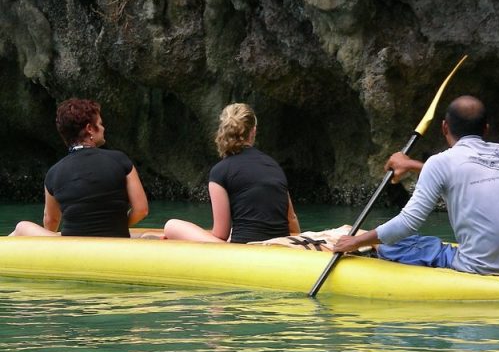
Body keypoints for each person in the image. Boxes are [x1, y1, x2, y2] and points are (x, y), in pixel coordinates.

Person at [334, 95, 499, 277]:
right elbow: (470, 172)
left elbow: (407, 223)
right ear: (486, 129)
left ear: (444, 127)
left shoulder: (440, 162)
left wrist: (355, 242)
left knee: (392, 244)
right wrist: (411, 165)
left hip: (477, 266)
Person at [10, 98, 148, 237]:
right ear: (89, 129)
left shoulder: (54, 173)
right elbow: (141, 210)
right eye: (100, 124)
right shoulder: (120, 159)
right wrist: (117, 225)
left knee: (22, 227)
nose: (103, 128)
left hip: (75, 249)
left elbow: (51, 220)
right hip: (116, 242)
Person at [164, 103, 300, 243]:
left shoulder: (220, 171)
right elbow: (291, 218)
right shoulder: (273, 166)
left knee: (171, 225)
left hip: (244, 248)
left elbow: (221, 234)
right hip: (280, 244)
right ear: (253, 131)